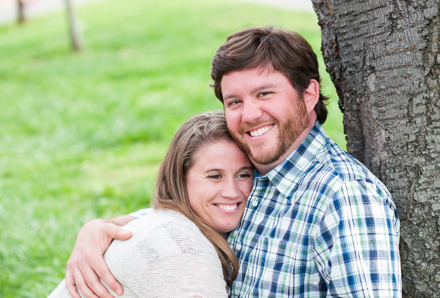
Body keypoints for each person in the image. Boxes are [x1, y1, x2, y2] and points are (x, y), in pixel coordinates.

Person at [64, 26, 402, 298]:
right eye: (235, 101)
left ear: (309, 94)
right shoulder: (255, 172)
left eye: (265, 94)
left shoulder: (346, 197)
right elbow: (184, 212)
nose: (250, 115)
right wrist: (95, 231)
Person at [50, 110, 253, 297]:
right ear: (180, 179)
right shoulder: (180, 252)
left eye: (243, 175)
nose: (231, 191)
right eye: (215, 176)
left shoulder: (174, 222)